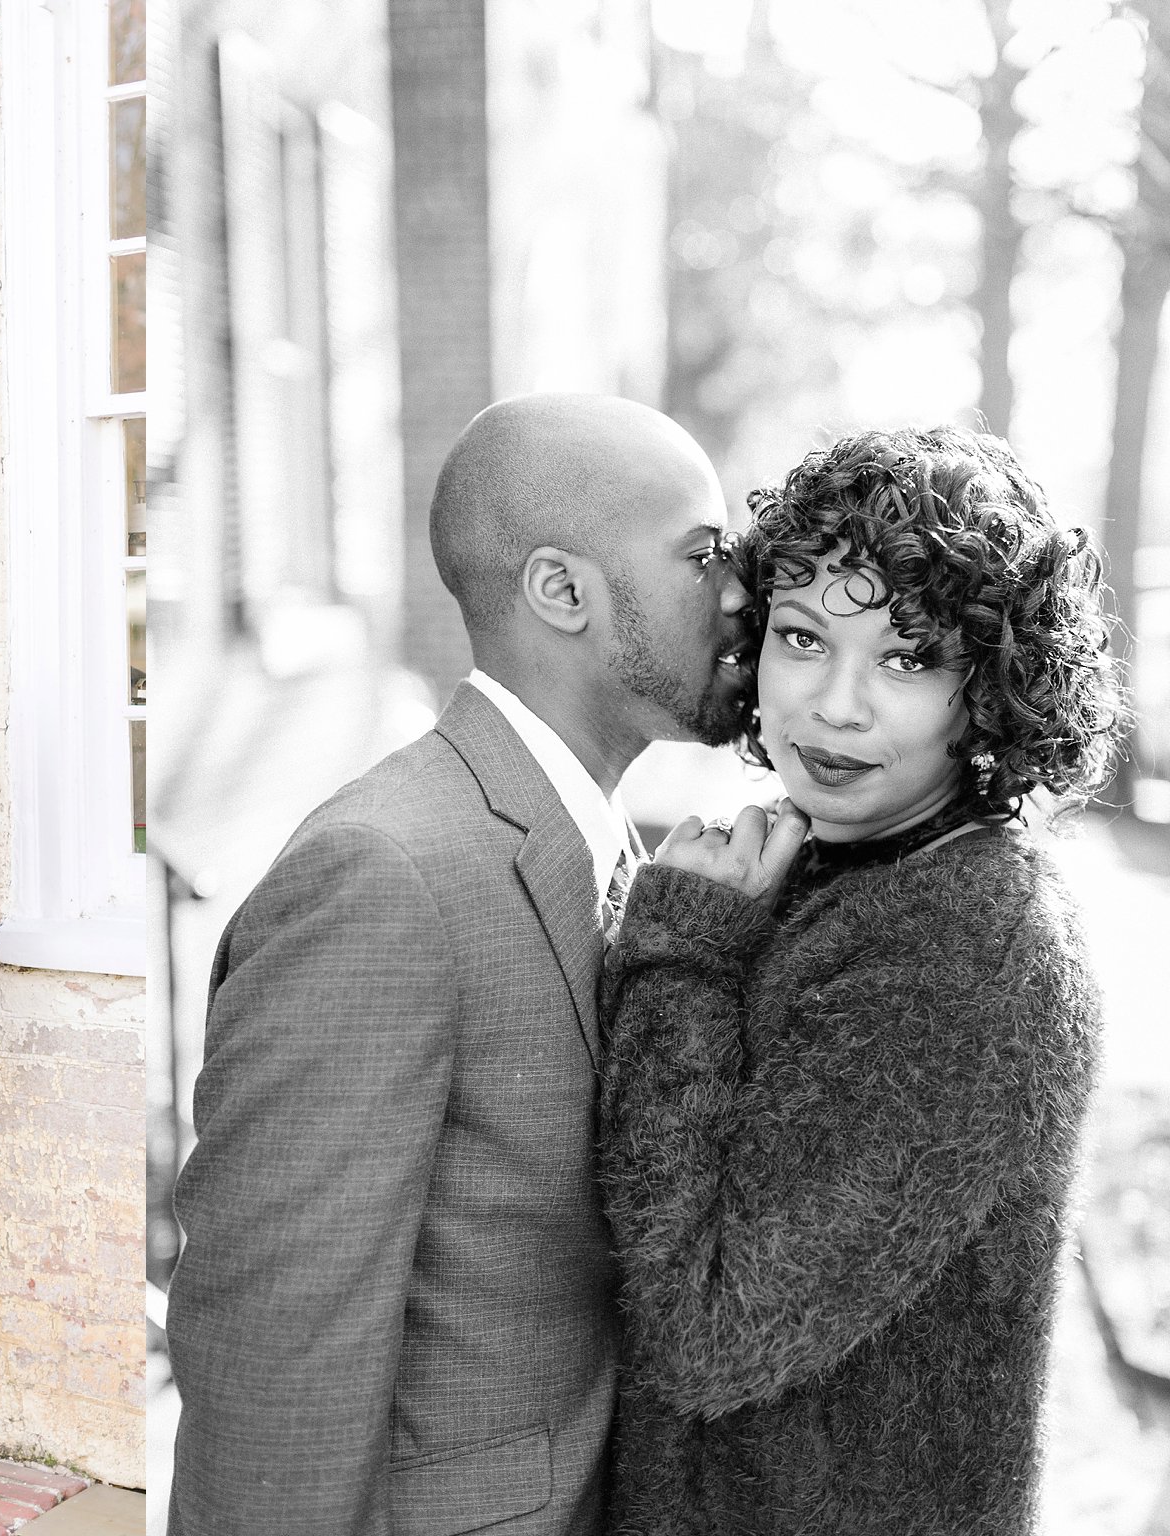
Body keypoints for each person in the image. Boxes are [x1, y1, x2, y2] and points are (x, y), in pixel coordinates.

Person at [165, 394, 752, 1536]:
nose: (738, 593)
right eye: (699, 556)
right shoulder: (381, 876)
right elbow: (269, 1367)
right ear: (561, 591)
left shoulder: (599, 842)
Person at [599, 426, 1125, 1533]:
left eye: (906, 657)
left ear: (991, 690)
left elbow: (710, 1328)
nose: (833, 707)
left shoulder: (970, 954)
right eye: (801, 637)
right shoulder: (838, 865)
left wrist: (684, 959)